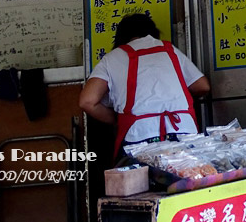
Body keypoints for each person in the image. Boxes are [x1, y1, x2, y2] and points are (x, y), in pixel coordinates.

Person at [79, 14, 210, 156]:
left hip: (140, 135)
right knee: (188, 175)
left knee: (142, 177)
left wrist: (117, 119)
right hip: (183, 131)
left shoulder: (112, 58)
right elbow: (202, 86)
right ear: (152, 32)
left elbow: (87, 101)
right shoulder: (169, 50)